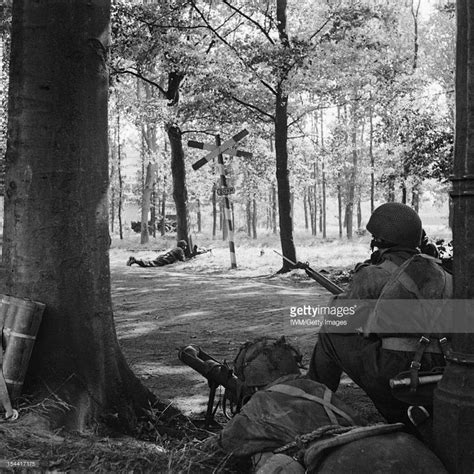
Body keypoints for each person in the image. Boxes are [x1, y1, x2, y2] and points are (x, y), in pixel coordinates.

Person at [306, 203, 452, 425]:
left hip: (400, 375)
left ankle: (313, 405)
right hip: (443, 370)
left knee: (330, 333)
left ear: (379, 241)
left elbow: (340, 318)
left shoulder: (373, 275)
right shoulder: (443, 274)